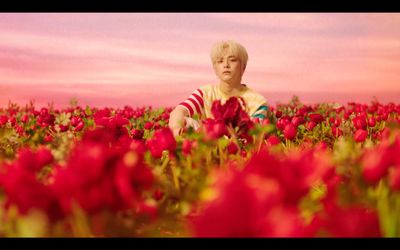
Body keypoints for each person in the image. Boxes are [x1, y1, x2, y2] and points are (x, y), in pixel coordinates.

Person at [168, 40, 268, 137]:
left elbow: (252, 135)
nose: (226, 65)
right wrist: (177, 130)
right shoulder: (204, 93)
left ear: (243, 67)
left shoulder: (257, 101)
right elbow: (179, 111)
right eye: (220, 61)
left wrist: (206, 127)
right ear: (215, 69)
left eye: (232, 60)